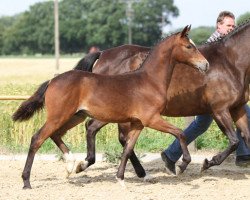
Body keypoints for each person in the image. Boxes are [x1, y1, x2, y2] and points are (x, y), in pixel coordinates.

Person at [161, 11, 250, 174]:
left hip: (217, 95)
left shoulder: (229, 44)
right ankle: (170, 154)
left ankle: (244, 155)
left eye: (233, 25)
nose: (232, 28)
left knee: (204, 124)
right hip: (208, 94)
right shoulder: (214, 44)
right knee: (202, 125)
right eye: (229, 25)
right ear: (219, 26)